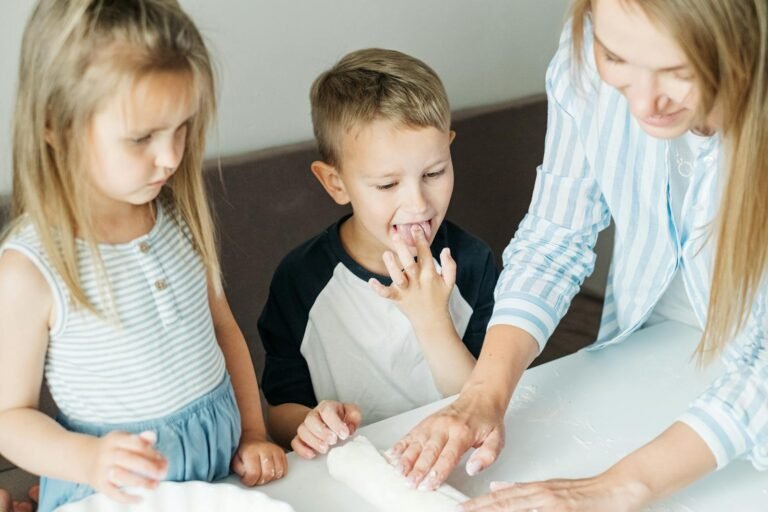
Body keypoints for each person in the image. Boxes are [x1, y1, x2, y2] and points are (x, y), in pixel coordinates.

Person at [388, 0, 768, 509]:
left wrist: (622, 485)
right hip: (653, 348)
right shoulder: (582, 57)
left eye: (679, 71)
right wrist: (483, 395)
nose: (644, 104)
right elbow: (556, 237)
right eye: (616, 58)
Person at [0, 2, 286, 511]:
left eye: (182, 127)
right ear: (55, 125)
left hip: (221, 473)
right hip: (117, 495)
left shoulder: (177, 217)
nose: (173, 156)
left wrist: (253, 431)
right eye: (142, 138)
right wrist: (86, 459)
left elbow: (223, 330)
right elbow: (9, 418)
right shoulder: (30, 267)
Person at [258, 48, 498, 459]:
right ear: (336, 183)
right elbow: (279, 410)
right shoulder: (301, 279)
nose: (419, 204)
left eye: (434, 173)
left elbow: (483, 404)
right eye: (388, 185)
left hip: (453, 460)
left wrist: (431, 322)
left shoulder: (472, 263)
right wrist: (310, 423)